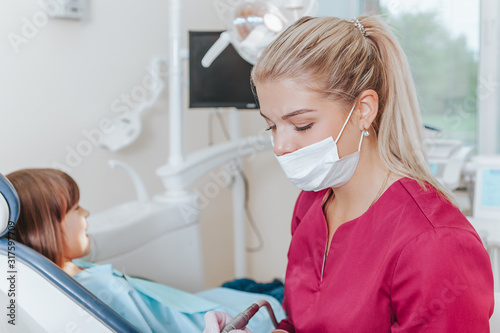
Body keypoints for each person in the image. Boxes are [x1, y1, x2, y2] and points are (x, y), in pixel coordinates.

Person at [204, 15, 494, 332]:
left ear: (363, 110)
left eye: (302, 125)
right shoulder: (312, 203)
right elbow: (301, 320)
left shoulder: (434, 243)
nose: (280, 146)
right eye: (272, 126)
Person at [7, 168, 285, 333]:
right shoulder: (101, 290)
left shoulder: (71, 270)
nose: (86, 213)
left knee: (248, 284)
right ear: (46, 229)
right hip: (234, 316)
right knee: (281, 292)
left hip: (205, 302)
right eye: (76, 209)